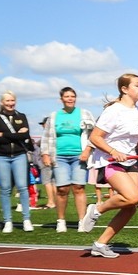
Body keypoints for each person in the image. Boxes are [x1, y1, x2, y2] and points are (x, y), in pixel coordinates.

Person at [79, 74, 138, 257]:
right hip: (110, 161)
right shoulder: (113, 111)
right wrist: (113, 152)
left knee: (131, 205)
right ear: (124, 89)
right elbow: (95, 137)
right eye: (137, 85)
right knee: (133, 196)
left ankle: (100, 244)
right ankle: (96, 209)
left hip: (130, 161)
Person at [40, 86, 96, 232]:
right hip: (59, 156)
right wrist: (45, 154)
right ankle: (61, 221)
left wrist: (87, 150)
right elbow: (46, 136)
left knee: (79, 188)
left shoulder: (84, 114)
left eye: (72, 96)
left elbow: (94, 134)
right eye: (67, 97)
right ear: (61, 99)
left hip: (79, 155)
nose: (70, 99)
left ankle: (82, 221)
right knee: (62, 189)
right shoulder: (54, 116)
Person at [0, 91, 35, 233]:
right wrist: (17, 135)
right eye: (7, 101)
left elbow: (26, 135)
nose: (10, 103)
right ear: (2, 103)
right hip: (2, 156)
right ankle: (8, 220)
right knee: (5, 189)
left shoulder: (21, 116)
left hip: (19, 155)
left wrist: (4, 134)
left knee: (22, 187)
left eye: (12, 100)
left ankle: (26, 219)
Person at [37, 117, 57, 210]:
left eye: (43, 124)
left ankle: (51, 202)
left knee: (47, 181)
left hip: (47, 160)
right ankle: (56, 201)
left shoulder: (47, 135)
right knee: (53, 182)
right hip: (55, 158)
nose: (42, 126)